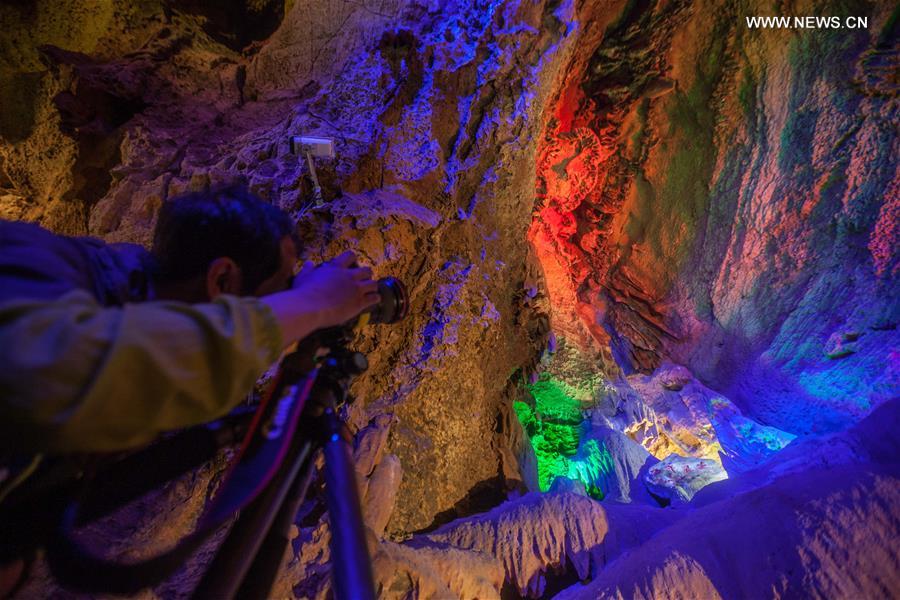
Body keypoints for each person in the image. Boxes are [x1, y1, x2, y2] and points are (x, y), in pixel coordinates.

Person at [0, 185, 380, 455]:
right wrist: (315, 301)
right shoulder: (33, 265)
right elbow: (65, 378)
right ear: (221, 280)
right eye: (280, 292)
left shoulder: (106, 289)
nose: (284, 306)